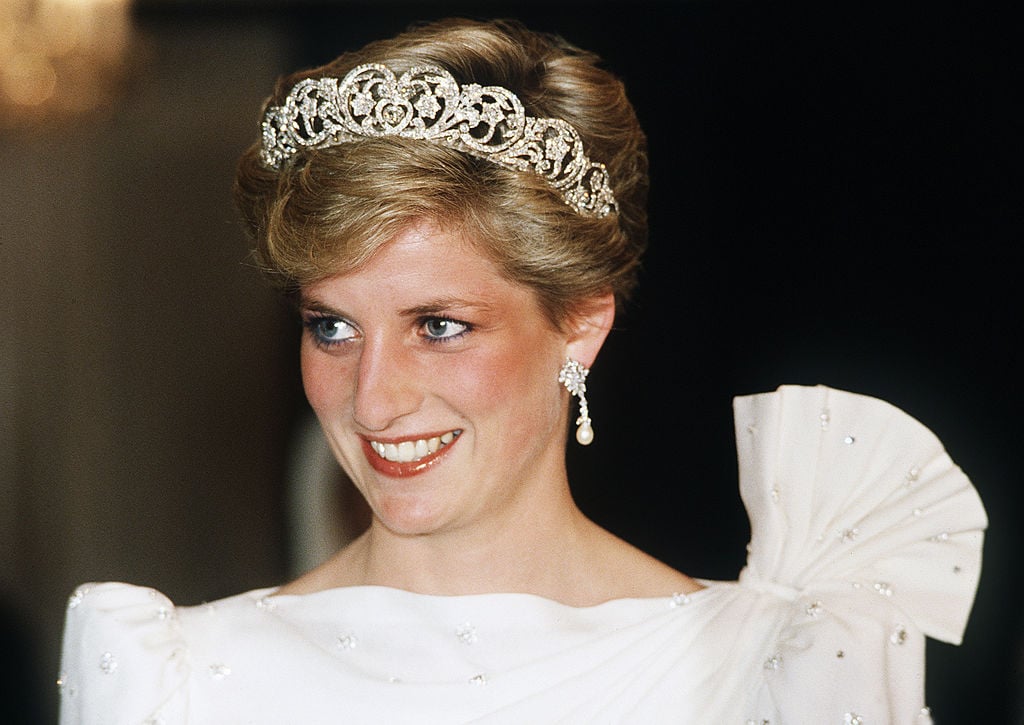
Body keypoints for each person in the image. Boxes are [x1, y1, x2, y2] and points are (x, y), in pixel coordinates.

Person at [58, 18, 987, 723]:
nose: (373, 399)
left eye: (439, 326)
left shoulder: (765, 668)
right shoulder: (179, 678)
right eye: (333, 328)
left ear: (579, 327)